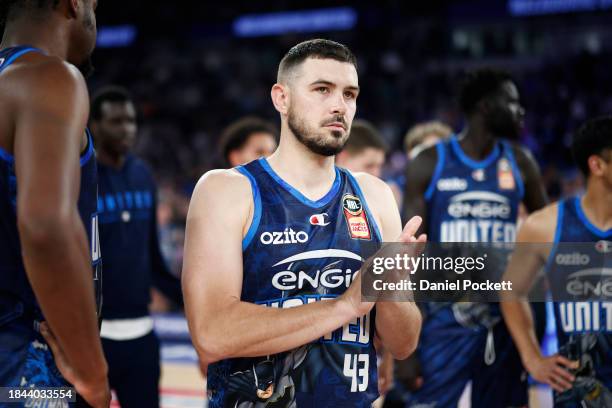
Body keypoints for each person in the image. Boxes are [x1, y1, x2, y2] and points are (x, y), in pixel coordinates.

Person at [182, 38, 423, 407]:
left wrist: (386, 293)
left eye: (349, 94)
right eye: (322, 90)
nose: (339, 106)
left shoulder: (375, 197)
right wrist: (345, 305)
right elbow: (212, 333)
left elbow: (404, 344)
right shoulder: (227, 190)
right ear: (282, 98)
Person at [401, 68, 548, 407]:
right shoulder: (430, 163)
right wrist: (405, 351)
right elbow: (406, 257)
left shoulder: (521, 163)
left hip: (503, 319)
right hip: (443, 316)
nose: (520, 110)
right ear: (485, 106)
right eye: (512, 102)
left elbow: (548, 240)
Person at [0, 0, 109, 406]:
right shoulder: (48, 76)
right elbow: (46, 226)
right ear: (73, 4)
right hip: (26, 363)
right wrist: (92, 374)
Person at [501, 116, 612, 407]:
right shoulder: (545, 226)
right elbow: (511, 290)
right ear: (597, 165)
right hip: (576, 388)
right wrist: (533, 358)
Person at [89, 86, 183, 407]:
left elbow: (153, 258)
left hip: (142, 333)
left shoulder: (143, 173)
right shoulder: (77, 177)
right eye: (116, 121)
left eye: (130, 121)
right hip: (93, 337)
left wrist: (190, 299)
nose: (127, 129)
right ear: (94, 125)